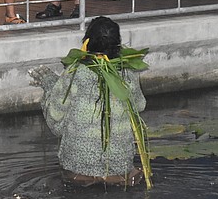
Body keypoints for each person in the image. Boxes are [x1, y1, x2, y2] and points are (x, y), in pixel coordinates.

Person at [30, 16, 151, 187]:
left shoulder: (76, 72)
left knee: (60, 115)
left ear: (87, 42)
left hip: (78, 171)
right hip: (119, 170)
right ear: (117, 45)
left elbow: (55, 113)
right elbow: (140, 105)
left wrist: (49, 83)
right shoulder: (127, 72)